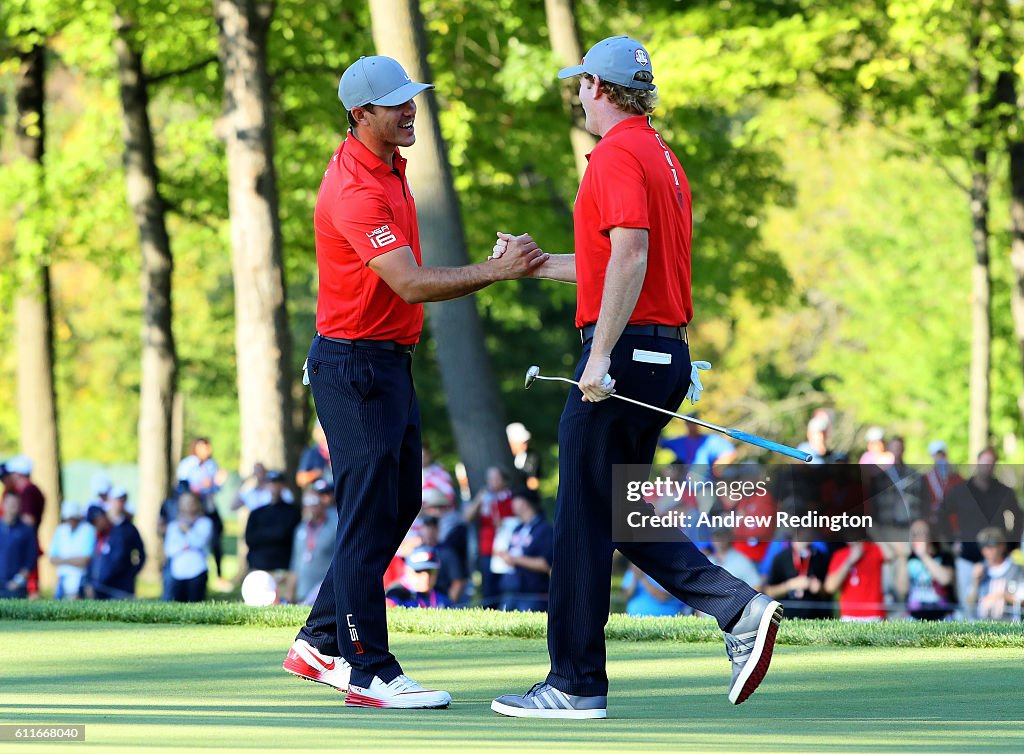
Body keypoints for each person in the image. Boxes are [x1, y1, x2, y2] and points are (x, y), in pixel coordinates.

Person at [490, 37, 781, 719]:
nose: (577, 96)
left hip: (625, 357)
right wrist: (531, 265)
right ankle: (736, 608)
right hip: (660, 354)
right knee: (618, 512)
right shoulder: (657, 153)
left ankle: (576, 682)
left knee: (582, 522)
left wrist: (597, 358)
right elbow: (614, 264)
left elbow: (631, 255)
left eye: (580, 85)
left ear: (598, 86)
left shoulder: (617, 155)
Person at [281, 53, 546, 710]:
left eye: (411, 98)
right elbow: (410, 282)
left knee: (397, 505)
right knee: (368, 510)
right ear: (359, 114)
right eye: (395, 103)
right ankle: (366, 668)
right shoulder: (355, 188)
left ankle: (317, 639)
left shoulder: (393, 170)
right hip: (352, 366)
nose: (410, 110)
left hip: (386, 362)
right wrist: (500, 271)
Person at [939, 447, 1023, 614]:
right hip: (968, 556)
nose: (987, 466)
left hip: (997, 561)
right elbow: (942, 515)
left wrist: (1010, 544)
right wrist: (951, 541)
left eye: (991, 463)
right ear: (977, 463)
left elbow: (1019, 519)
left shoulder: (1004, 492)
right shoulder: (961, 491)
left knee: (996, 608)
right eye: (984, 462)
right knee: (968, 606)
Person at [176, 437, 229, 580]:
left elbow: (215, 487)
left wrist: (216, 483)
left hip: (209, 508)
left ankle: (219, 575)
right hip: (193, 510)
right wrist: (201, 487)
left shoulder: (212, 465)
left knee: (216, 540)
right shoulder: (188, 464)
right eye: (203, 447)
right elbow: (183, 487)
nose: (206, 450)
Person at [463, 466, 514, 608]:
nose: (492, 482)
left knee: (504, 583)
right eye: (490, 479)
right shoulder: (485, 498)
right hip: (487, 548)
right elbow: (467, 517)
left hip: (505, 548)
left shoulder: (510, 498)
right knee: (488, 585)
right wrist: (479, 500)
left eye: (496, 479)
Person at [496, 489, 553, 612]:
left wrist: (514, 559)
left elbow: (546, 564)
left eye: (515, 500)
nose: (512, 503)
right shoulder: (518, 528)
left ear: (524, 503)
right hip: (510, 590)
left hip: (533, 595)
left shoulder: (544, 530)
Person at [824, 535, 904, 621]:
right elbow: (829, 587)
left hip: (874, 616)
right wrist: (849, 561)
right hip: (849, 617)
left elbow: (891, 554)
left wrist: (873, 529)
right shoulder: (840, 555)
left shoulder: (873, 549)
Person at [285, 480, 338, 605]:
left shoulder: (335, 525)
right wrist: (289, 592)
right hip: (302, 595)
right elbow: (295, 563)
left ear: (323, 502)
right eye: (308, 502)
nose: (311, 506)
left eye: (314, 501)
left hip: (326, 595)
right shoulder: (301, 528)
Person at [84, 495, 146, 600]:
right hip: (101, 589)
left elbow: (139, 554)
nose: (96, 525)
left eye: (97, 521)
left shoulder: (124, 530)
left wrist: (131, 573)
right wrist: (90, 581)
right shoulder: (98, 536)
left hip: (121, 588)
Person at [763, 529, 833, 619]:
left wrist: (819, 589)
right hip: (786, 617)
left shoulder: (821, 558)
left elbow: (830, 591)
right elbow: (768, 592)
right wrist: (789, 585)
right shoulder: (780, 558)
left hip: (815, 617)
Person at [894, 519, 956, 621]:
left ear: (931, 535)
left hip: (942, 616)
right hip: (914, 616)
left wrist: (923, 555)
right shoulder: (908, 558)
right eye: (914, 534)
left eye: (921, 533)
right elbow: (902, 590)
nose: (918, 538)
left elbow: (945, 580)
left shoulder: (944, 556)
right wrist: (902, 558)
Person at [245, 471, 301, 573]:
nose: (274, 487)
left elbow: (286, 535)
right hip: (258, 566)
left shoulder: (292, 511)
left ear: (283, 486)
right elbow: (250, 538)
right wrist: (275, 534)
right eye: (271, 483)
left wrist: (262, 535)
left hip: (282, 567)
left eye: (277, 483)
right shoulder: (257, 513)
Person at [164, 493, 212, 603]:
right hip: (178, 572)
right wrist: (185, 546)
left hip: (197, 570)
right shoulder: (173, 526)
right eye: (185, 503)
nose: (188, 506)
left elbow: (199, 542)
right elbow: (169, 550)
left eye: (191, 502)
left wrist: (187, 530)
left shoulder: (205, 523)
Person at [967, 526, 1024, 621]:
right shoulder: (980, 570)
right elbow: (969, 602)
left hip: (1010, 625)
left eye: (991, 546)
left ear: (1002, 546)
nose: (987, 551)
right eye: (983, 547)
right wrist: (975, 581)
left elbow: (1022, 600)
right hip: (982, 625)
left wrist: (1001, 596)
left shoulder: (1016, 570)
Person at [49, 501, 96, 600]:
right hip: (62, 579)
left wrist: (63, 560)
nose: (71, 521)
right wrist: (74, 560)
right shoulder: (60, 530)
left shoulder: (88, 530)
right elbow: (52, 559)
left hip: (82, 579)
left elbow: (85, 560)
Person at [418, 515, 467, 606]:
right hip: (418, 601)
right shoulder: (415, 551)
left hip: (441, 599)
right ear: (421, 529)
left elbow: (458, 582)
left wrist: (446, 605)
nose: (430, 532)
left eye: (433, 528)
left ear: (438, 530)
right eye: (427, 528)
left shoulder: (447, 553)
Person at [385, 545, 451, 609]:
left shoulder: (442, 591)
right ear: (407, 570)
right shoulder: (395, 592)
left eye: (431, 571)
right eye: (418, 571)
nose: (426, 577)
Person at [0, 491, 36, 599]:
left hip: (16, 589)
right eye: (9, 503)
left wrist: (17, 581)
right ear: (3, 504)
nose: (12, 506)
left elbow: (30, 560)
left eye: (15, 504)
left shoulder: (27, 530)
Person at [621, 563, 689, 617]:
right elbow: (626, 597)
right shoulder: (634, 570)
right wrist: (635, 578)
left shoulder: (670, 571)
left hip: (663, 619)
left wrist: (642, 578)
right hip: (633, 618)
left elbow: (663, 597)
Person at [922, 440, 963, 525]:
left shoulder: (956, 477)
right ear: (932, 456)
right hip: (934, 522)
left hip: (953, 522)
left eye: (942, 454)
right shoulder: (927, 478)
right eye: (937, 455)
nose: (940, 457)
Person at [506, 422, 542, 490]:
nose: (524, 445)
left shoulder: (532, 457)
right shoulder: (505, 458)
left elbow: (533, 482)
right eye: (519, 442)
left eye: (525, 442)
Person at [297, 420, 333, 488]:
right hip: (319, 492)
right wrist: (316, 473)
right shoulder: (312, 452)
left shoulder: (338, 450)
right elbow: (300, 479)